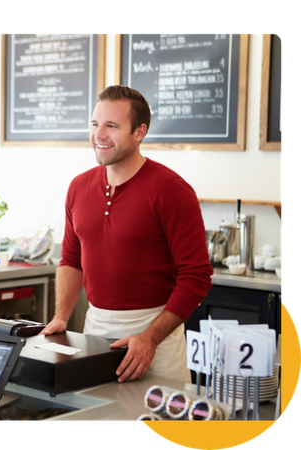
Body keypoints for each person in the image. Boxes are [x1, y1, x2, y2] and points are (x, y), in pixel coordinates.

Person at [41, 85, 213, 384]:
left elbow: (197, 275)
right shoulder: (78, 187)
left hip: (156, 337)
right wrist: (61, 317)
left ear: (139, 132)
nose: (99, 135)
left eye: (112, 126)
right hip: (94, 332)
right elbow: (71, 259)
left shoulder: (172, 190)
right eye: (95, 124)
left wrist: (149, 339)